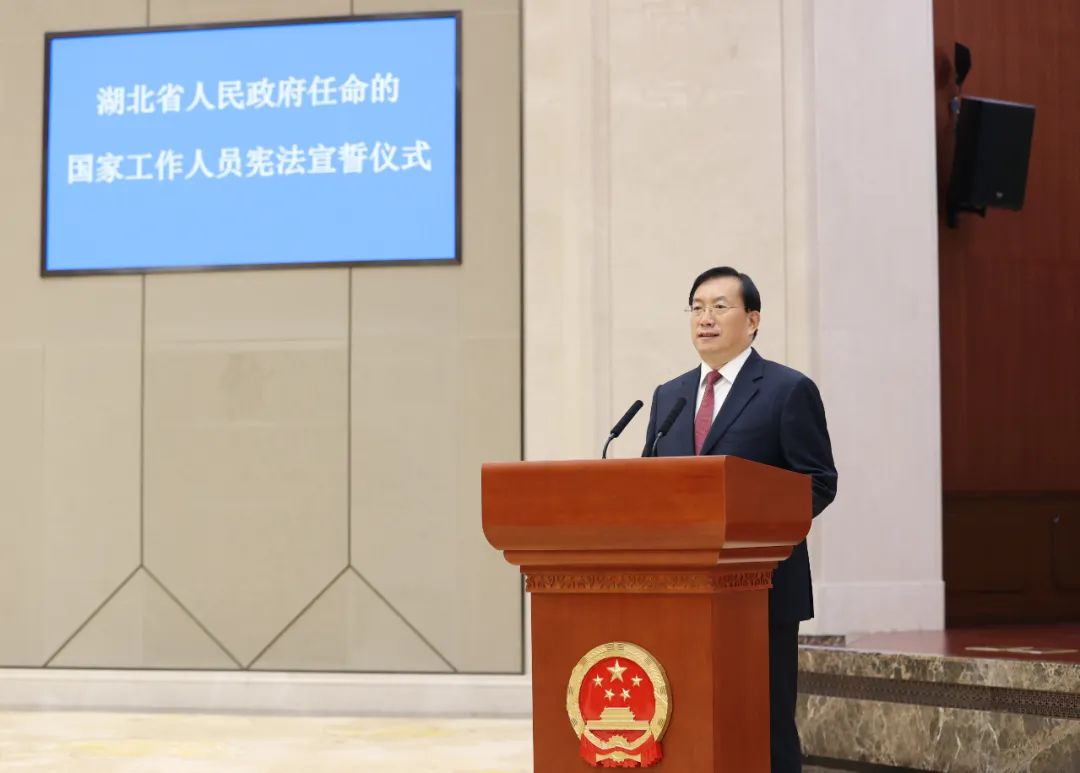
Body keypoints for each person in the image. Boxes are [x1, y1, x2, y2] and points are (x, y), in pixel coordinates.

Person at [642, 266, 837, 773]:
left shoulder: (787, 390)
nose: (705, 318)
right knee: (685, 720)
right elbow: (649, 484)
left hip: (761, 590)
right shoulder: (669, 395)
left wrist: (754, 530)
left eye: (719, 307)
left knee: (764, 725)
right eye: (697, 308)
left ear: (753, 320)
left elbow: (818, 481)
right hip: (680, 593)